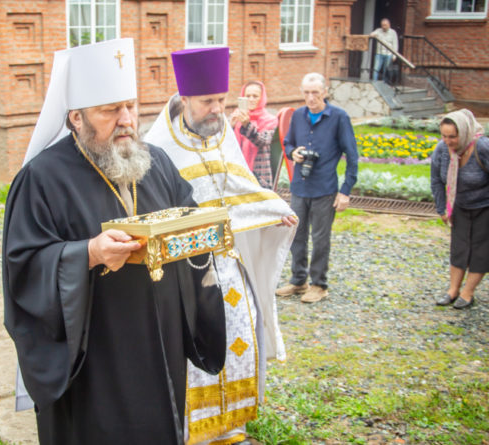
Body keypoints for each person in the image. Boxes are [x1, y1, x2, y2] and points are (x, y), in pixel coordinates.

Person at [3, 38, 227, 444]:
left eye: (130, 106)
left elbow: (188, 218)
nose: (126, 119)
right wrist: (88, 253)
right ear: (75, 117)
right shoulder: (41, 178)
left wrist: (203, 232)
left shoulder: (156, 161)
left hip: (160, 339)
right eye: (110, 110)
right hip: (96, 354)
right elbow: (22, 266)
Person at [144, 47, 297, 445]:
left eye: (221, 100)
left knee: (240, 337)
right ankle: (193, 431)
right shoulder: (159, 146)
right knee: (194, 350)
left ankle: (232, 428)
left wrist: (272, 209)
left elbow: (240, 187)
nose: (218, 109)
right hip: (186, 272)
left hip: (229, 264)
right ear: (185, 100)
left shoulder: (221, 132)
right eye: (208, 101)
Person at [276, 72, 358, 303]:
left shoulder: (339, 117)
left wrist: (345, 192)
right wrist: (293, 153)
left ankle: (319, 285)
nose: (310, 98)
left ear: (325, 92)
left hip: (325, 189)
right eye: (306, 93)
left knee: (321, 238)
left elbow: (352, 156)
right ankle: (298, 281)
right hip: (300, 187)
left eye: (315, 93)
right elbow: (288, 142)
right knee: (296, 235)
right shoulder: (299, 115)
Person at [431, 109, 489, 310]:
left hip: (485, 207)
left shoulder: (482, 147)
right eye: (444, 136)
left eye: (452, 137)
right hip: (459, 206)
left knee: (481, 251)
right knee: (459, 249)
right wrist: (442, 208)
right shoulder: (442, 150)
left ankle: (468, 292)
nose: (448, 141)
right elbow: (437, 180)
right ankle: (453, 290)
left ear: (463, 133)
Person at [229, 80, 279, 188]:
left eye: (255, 96)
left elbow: (263, 141)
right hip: (238, 174)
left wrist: (247, 125)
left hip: (260, 177)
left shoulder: (270, 120)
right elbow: (226, 145)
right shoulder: (236, 117)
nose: (251, 99)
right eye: (248, 96)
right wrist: (231, 127)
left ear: (262, 98)